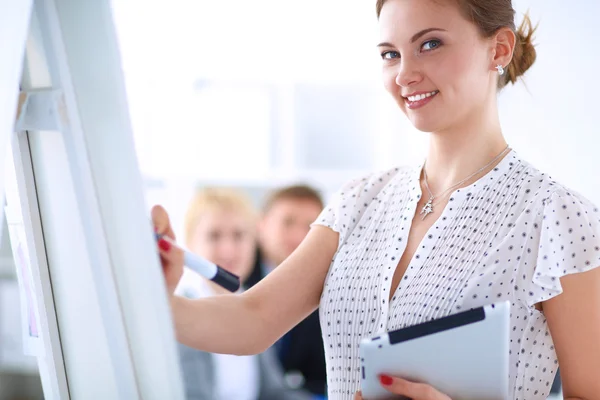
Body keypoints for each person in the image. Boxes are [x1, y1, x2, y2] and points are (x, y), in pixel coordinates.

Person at [153, 0, 600, 399]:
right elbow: (253, 320)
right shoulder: (361, 199)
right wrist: (151, 296)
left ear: (499, 49)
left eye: (430, 44)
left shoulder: (560, 217)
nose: (404, 74)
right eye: (390, 54)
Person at [175, 187, 312, 400]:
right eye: (214, 236)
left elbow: (274, 392)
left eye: (239, 236)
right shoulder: (182, 312)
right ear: (191, 243)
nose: (228, 249)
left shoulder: (253, 303)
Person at [245, 185, 327, 396]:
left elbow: (320, 376)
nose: (298, 235)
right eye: (287, 222)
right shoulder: (236, 271)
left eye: (310, 227)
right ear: (261, 226)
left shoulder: (326, 285)